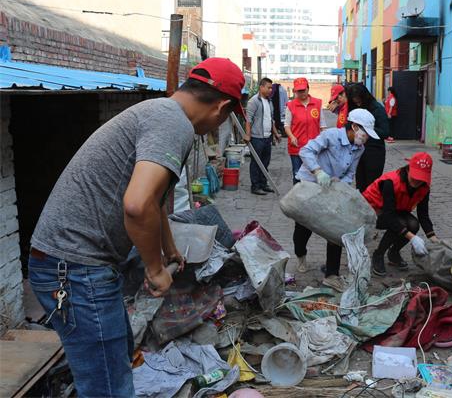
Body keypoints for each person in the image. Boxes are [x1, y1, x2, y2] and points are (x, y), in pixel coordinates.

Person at [28, 58, 245, 396]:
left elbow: (152, 199)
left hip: (72, 264)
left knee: (119, 359)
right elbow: (136, 204)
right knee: (108, 387)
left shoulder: (161, 111)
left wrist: (167, 246)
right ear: (223, 106)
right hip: (74, 268)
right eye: (228, 116)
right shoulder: (175, 125)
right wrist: (156, 268)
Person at [293, 109, 378, 291]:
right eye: (365, 133)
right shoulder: (331, 136)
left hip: (332, 190)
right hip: (310, 184)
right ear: (354, 127)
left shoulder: (359, 148)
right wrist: (318, 171)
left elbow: (350, 172)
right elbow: (305, 151)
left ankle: (331, 274)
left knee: (336, 229)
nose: (366, 138)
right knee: (303, 228)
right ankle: (300, 254)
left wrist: (341, 185)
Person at [362, 152, 440, 276]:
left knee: (414, 224)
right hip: (372, 212)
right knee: (400, 224)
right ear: (408, 169)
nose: (417, 182)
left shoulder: (424, 187)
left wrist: (434, 239)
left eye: (421, 179)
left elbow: (423, 214)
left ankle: (394, 253)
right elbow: (388, 217)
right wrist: (412, 238)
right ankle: (379, 254)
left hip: (395, 210)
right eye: (414, 177)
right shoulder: (391, 182)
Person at [346, 83, 390, 192]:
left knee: (373, 184)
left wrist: (366, 130)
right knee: (360, 184)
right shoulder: (354, 108)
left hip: (374, 151)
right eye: (355, 101)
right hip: (358, 151)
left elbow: (385, 132)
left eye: (359, 100)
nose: (358, 103)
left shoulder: (377, 109)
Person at [284, 77, 326, 184]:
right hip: (297, 147)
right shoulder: (291, 105)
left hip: (314, 148)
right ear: (295, 91)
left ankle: (310, 198)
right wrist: (292, 137)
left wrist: (325, 142)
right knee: (297, 175)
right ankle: (297, 198)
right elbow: (287, 125)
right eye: (299, 91)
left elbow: (323, 125)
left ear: (308, 88)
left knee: (313, 174)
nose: (302, 93)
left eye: (303, 90)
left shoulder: (317, 104)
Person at [245, 77, 281, 195]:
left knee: (265, 162)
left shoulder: (269, 102)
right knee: (256, 163)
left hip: (267, 137)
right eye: (268, 87)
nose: (271, 90)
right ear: (261, 87)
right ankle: (255, 186)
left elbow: (271, 120)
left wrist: (275, 134)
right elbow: (248, 119)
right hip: (257, 137)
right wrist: (248, 135)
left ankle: (263, 184)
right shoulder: (253, 101)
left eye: (271, 88)